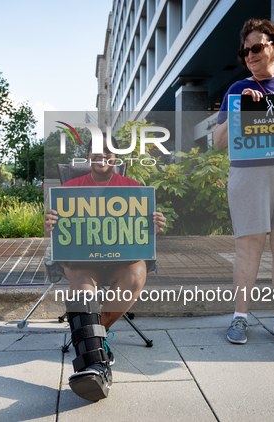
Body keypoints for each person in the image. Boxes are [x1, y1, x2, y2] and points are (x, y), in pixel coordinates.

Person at [213, 19, 274, 351]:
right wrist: (241, 106)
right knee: (248, 247)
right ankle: (239, 315)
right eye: (245, 51)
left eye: (257, 47)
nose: (250, 55)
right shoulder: (235, 89)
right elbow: (217, 142)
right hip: (249, 172)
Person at [44, 136, 166, 401]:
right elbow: (58, 233)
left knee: (136, 273)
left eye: (108, 152)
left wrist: (153, 224)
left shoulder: (132, 188)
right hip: (83, 262)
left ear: (116, 157)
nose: (102, 156)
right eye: (96, 152)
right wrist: (51, 225)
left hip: (120, 261)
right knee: (80, 280)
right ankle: (96, 362)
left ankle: (91, 344)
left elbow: (142, 234)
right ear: (88, 156)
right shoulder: (70, 189)